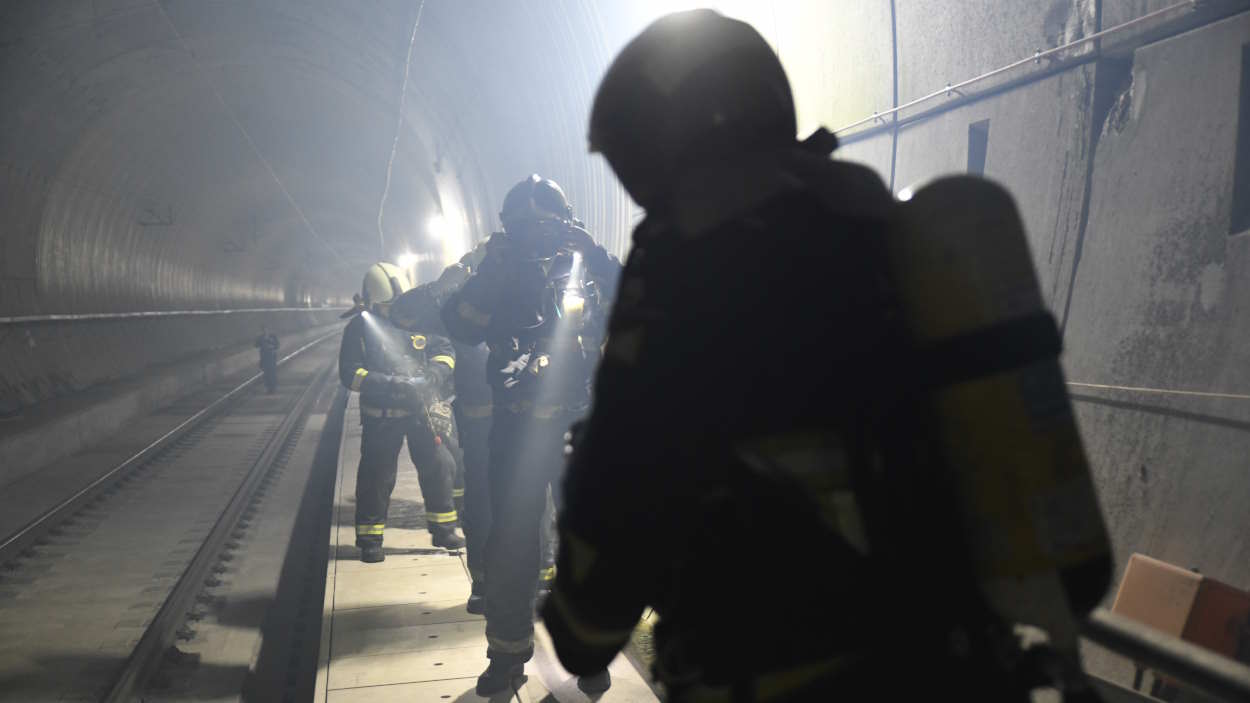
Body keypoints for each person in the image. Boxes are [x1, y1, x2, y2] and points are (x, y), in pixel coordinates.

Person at [542, 10, 1110, 702]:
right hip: (957, 665)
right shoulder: (875, 221)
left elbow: (622, 474)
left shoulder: (682, 259)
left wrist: (580, 617)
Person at [442, 176, 619, 696]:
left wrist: (597, 255)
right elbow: (463, 325)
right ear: (509, 229)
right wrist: (495, 267)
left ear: (566, 223)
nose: (539, 237)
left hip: (580, 424)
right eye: (527, 227)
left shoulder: (587, 265)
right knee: (512, 545)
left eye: (548, 226)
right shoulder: (500, 269)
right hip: (517, 428)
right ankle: (507, 655)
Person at [338, 262, 465, 563]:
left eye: (396, 304)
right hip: (381, 414)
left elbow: (445, 351)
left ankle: (443, 527)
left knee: (439, 466)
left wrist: (433, 376)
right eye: (385, 306)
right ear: (370, 302)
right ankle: (370, 538)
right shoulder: (360, 328)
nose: (392, 311)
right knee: (377, 475)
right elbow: (350, 373)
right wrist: (390, 384)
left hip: (420, 410)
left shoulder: (419, 319)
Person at [254, 327, 280, 393]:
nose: (265, 331)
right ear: (262, 331)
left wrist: (272, 345)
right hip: (264, 358)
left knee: (272, 373)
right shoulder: (261, 337)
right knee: (266, 374)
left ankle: (273, 387)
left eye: (267, 329)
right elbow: (255, 345)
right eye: (263, 330)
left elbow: (277, 345)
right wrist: (259, 339)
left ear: (269, 330)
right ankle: (268, 388)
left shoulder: (273, 336)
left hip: (272, 358)